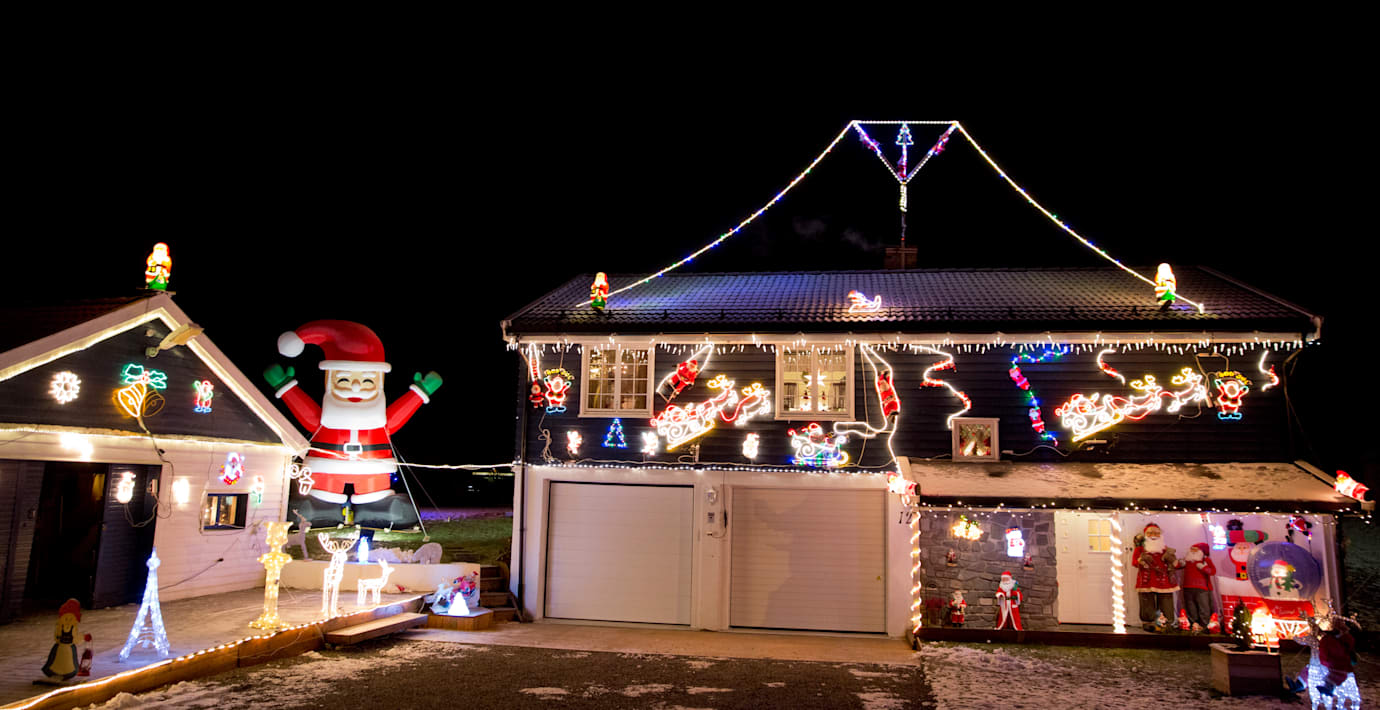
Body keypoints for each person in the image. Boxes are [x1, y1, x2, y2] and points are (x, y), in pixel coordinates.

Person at [266, 320, 441, 528]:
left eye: (367, 382)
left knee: (375, 493)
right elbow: (308, 415)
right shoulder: (327, 418)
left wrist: (419, 393)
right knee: (321, 494)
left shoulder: (378, 420)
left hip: (372, 469)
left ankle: (377, 509)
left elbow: (396, 417)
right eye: (343, 381)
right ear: (329, 380)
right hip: (327, 468)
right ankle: (319, 508)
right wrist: (286, 388)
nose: (356, 388)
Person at [1132, 523, 1180, 632]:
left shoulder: (1165, 549)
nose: (1153, 535)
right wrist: (1141, 560)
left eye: (1156, 533)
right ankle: (1148, 623)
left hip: (1163, 579)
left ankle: (1167, 623)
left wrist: (1172, 560)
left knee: (1166, 601)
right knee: (1146, 601)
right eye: (1150, 533)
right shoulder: (1140, 549)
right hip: (1146, 579)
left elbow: (1175, 563)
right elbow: (1134, 562)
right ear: (1145, 535)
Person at [1180, 542, 1216, 632]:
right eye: (1191, 549)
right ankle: (1193, 624)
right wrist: (1179, 562)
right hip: (1188, 586)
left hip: (1202, 588)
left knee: (1203, 607)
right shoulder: (1187, 559)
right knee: (1190, 607)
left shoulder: (1205, 560)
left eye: (1195, 549)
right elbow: (1177, 566)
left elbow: (1213, 571)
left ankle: (1204, 626)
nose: (1193, 551)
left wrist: (1203, 568)